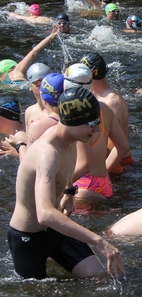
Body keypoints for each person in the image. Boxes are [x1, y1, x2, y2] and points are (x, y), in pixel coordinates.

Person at [8, 87, 125, 279]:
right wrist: (99, 241)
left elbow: (66, 170)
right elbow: (44, 214)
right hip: (28, 238)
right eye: (92, 123)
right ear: (72, 121)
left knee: (100, 278)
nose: (96, 129)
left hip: (56, 229)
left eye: (98, 122)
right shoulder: (48, 153)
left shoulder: (72, 139)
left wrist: (69, 190)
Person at [79, 53, 134, 171]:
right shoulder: (95, 94)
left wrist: (101, 175)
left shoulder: (111, 101)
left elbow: (114, 147)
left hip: (116, 165)